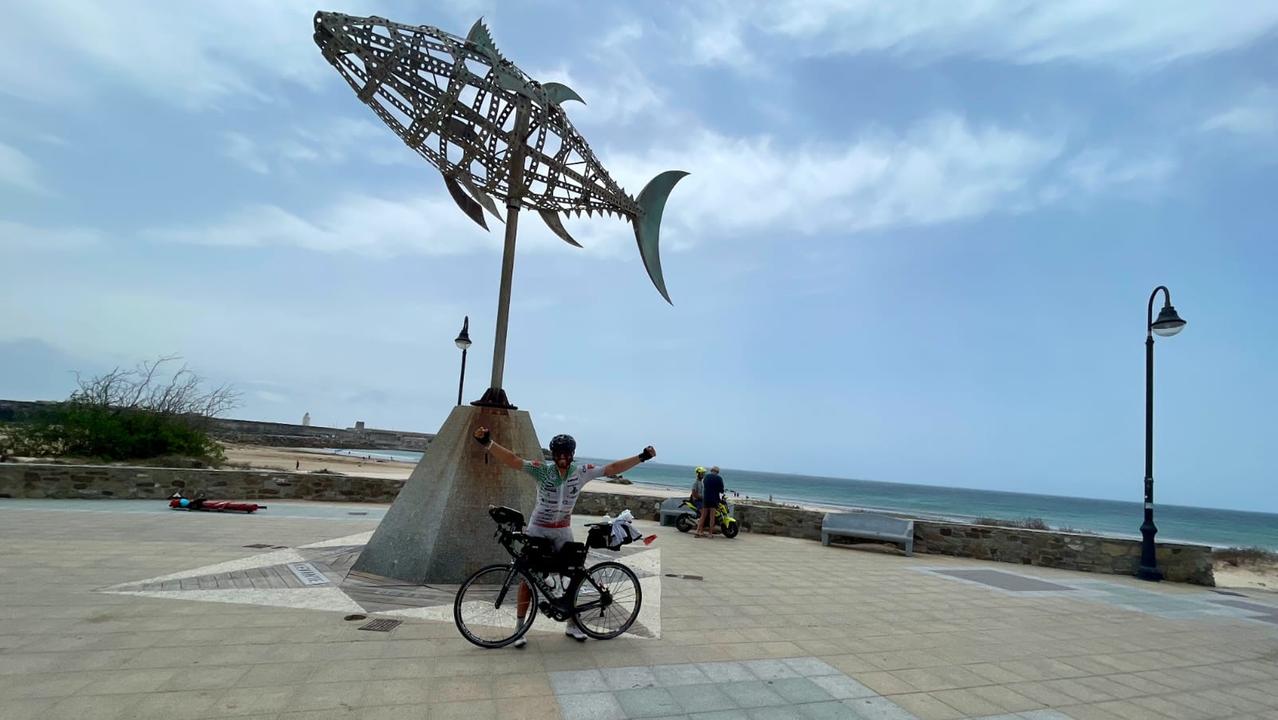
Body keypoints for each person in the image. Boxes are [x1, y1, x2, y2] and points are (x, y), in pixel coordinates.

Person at [473, 425, 655, 645]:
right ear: (553, 454)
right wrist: (487, 442)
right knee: (527, 578)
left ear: (572, 454)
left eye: (566, 453)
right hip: (538, 529)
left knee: (572, 578)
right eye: (558, 453)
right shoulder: (542, 470)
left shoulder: (581, 472)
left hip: (563, 531)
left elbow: (611, 468)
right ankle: (519, 629)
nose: (562, 457)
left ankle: (572, 625)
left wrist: (642, 457)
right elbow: (513, 460)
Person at [696, 466, 725, 538]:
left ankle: (698, 532)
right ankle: (710, 533)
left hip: (706, 498)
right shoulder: (719, 478)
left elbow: (705, 485)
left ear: (711, 470)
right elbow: (721, 490)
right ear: (717, 472)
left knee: (703, 516)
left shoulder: (706, 477)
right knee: (712, 517)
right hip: (714, 499)